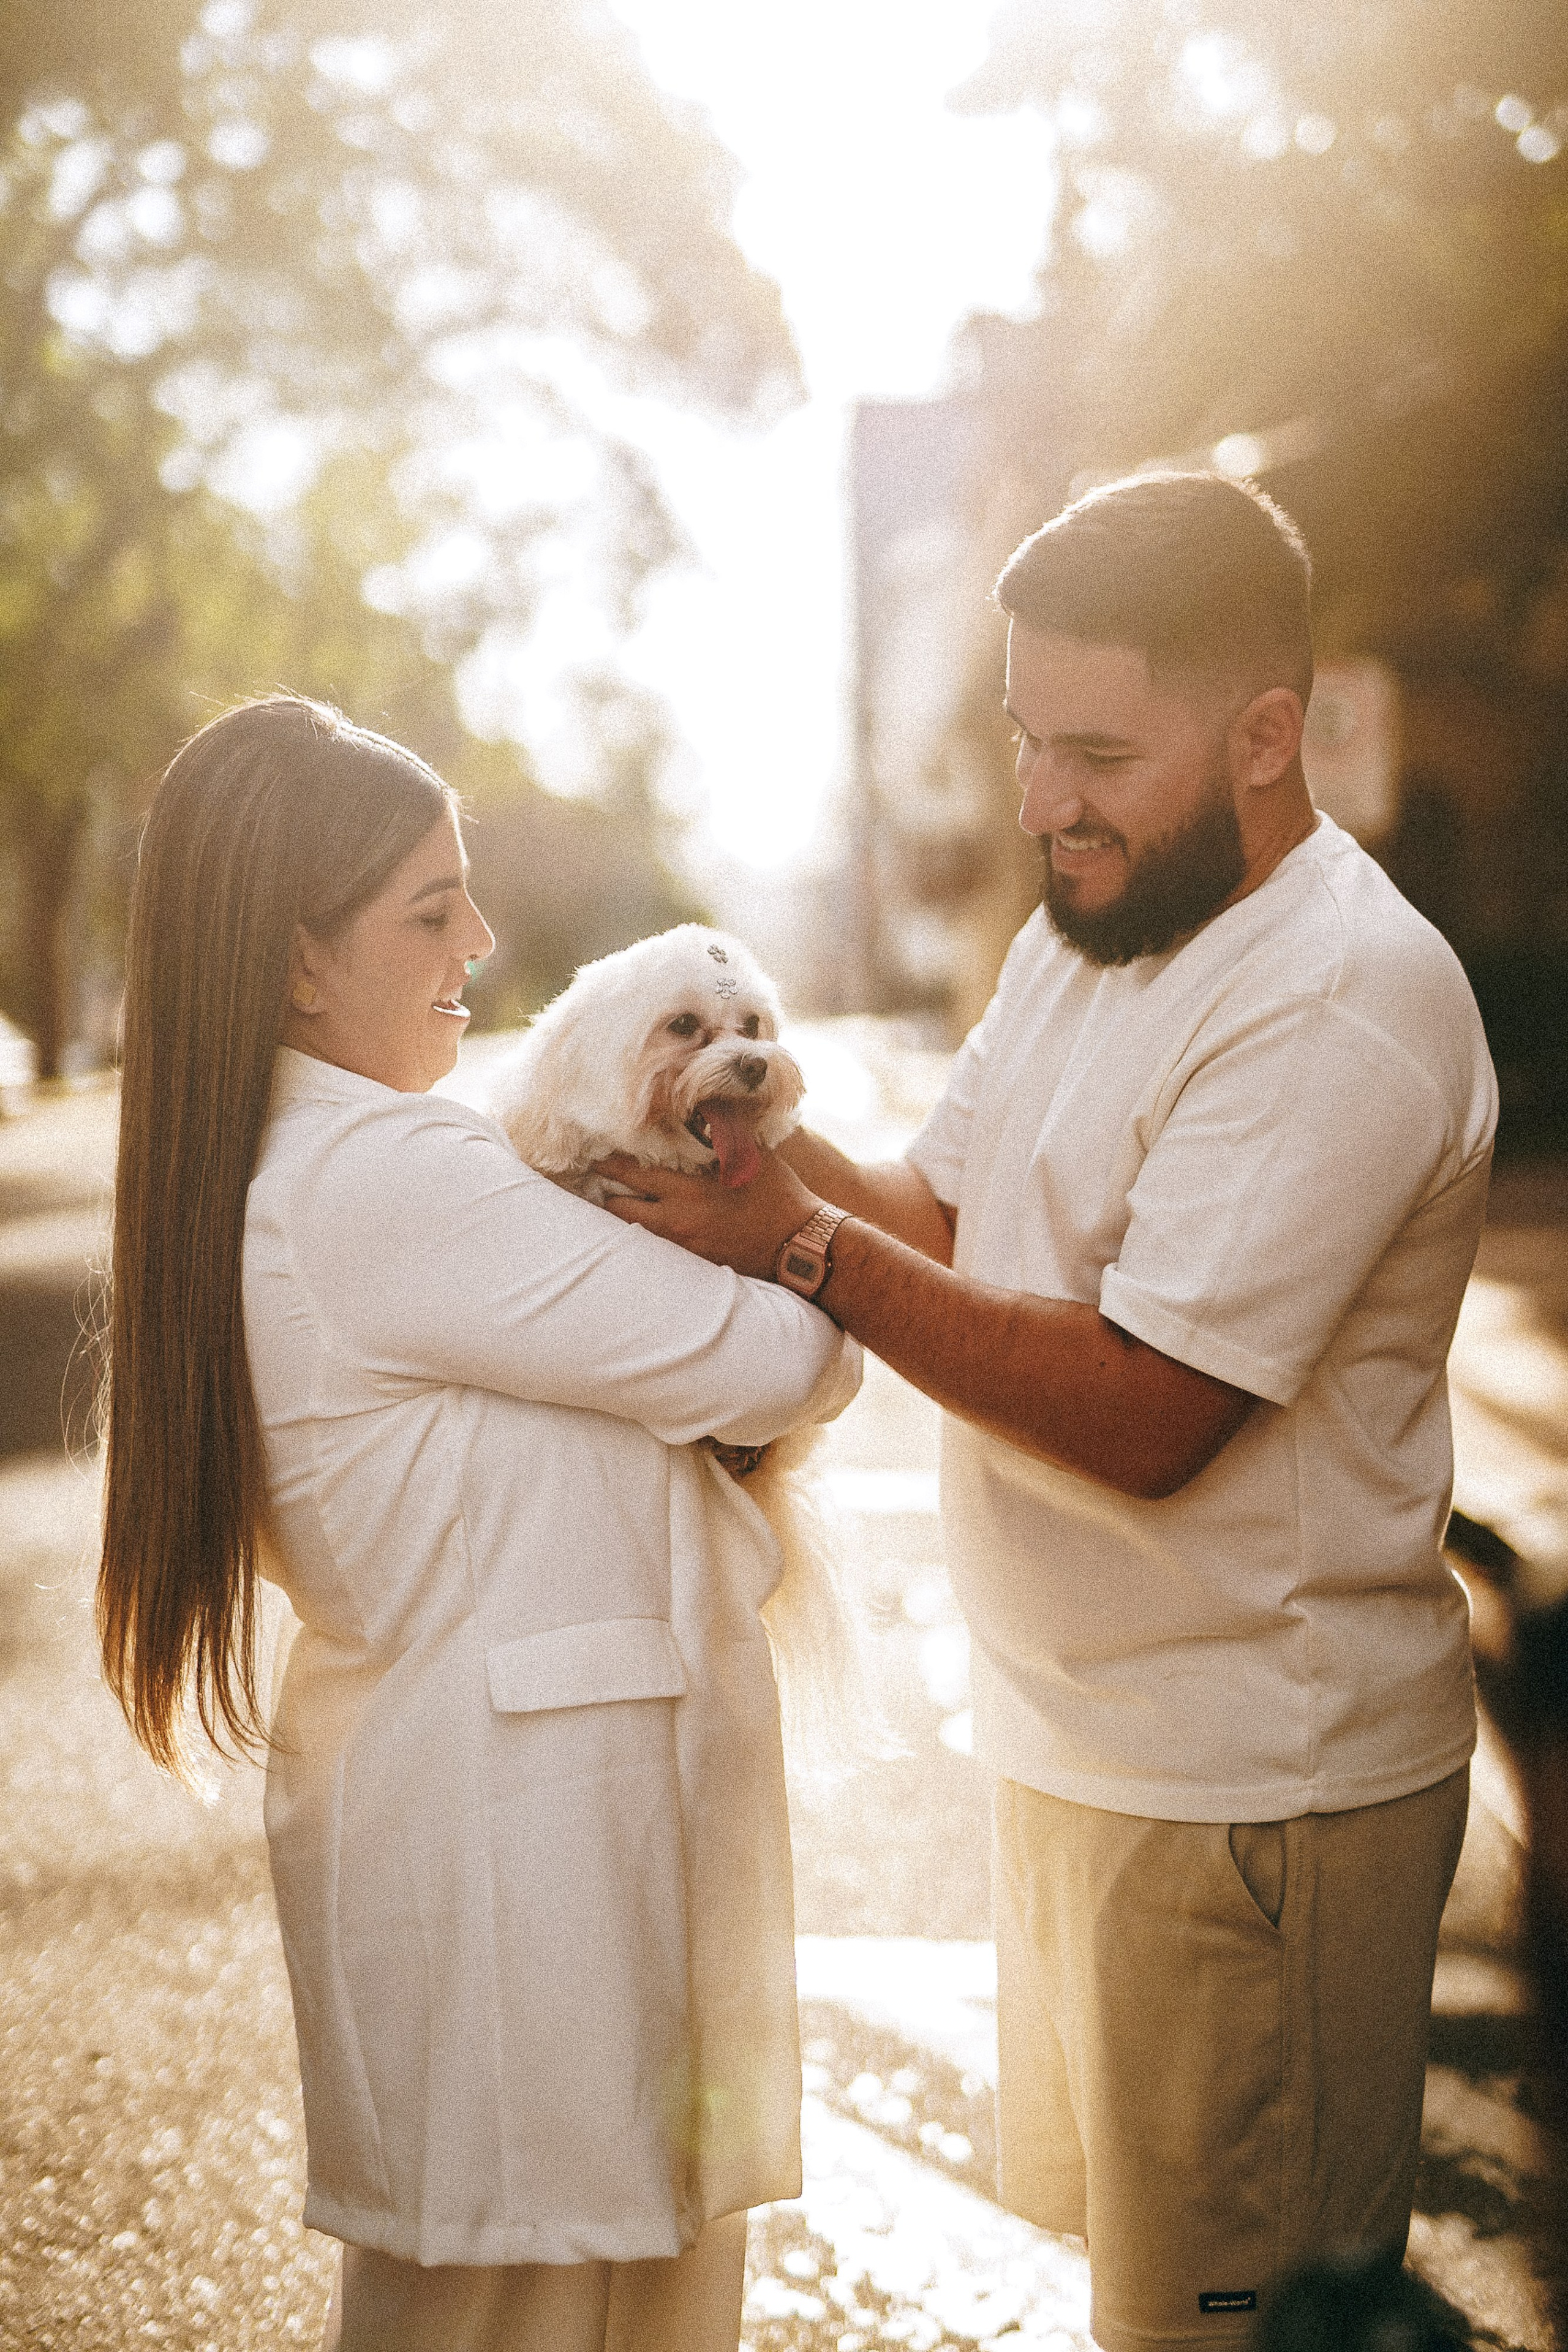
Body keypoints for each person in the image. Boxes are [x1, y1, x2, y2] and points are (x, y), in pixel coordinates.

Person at [598, 473, 1499, 2350]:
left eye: (1097, 752)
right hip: (1088, 1762)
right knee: (1144, 2311)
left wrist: (801, 1251)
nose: (1042, 801)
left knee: (1236, 2330)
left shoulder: (1335, 994)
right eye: (1024, 740)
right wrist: (735, 1109)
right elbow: (939, 1215)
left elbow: (1155, 1408)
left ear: (1271, 734)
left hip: (1258, 1804)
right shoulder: (1095, 925)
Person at [95, 694, 861, 2352]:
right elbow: (783, 1361)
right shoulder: (387, 1176)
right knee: (519, 2315)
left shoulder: (334, 1165)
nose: (482, 938)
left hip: (545, 1858)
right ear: (302, 964)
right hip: (526, 1884)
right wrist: (794, 1243)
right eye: (429, 910)